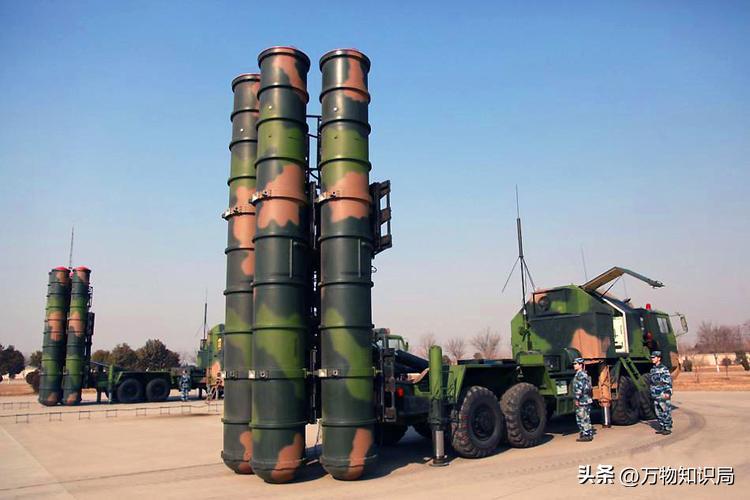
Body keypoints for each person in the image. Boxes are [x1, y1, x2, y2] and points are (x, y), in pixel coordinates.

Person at [649, 350, 673, 435]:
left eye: (654, 357)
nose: (652, 359)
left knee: (665, 410)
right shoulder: (653, 369)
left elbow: (668, 381)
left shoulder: (664, 369)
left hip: (662, 392)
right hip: (655, 393)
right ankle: (662, 426)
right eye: (652, 358)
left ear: (659, 358)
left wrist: (668, 392)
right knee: (658, 411)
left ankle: (667, 427)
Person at [572, 357, 593, 442]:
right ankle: (586, 433)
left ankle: (586, 434)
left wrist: (576, 398)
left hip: (582, 400)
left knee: (583, 417)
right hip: (585, 399)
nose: (574, 365)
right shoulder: (582, 374)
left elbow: (579, 388)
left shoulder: (581, 375)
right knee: (584, 417)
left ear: (580, 365)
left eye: (575, 364)